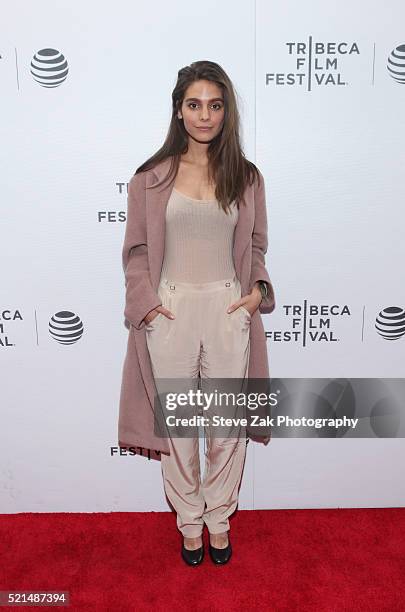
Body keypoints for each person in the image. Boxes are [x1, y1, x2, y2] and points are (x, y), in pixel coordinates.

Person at [122, 60, 274, 566]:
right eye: (194, 104)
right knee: (181, 430)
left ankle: (219, 517)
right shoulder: (150, 177)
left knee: (227, 429)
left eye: (215, 104)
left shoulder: (247, 178)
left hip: (228, 308)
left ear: (226, 110)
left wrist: (255, 292)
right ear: (179, 110)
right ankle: (190, 521)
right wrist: (147, 306)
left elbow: (255, 247)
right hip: (170, 312)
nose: (205, 115)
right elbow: (138, 252)